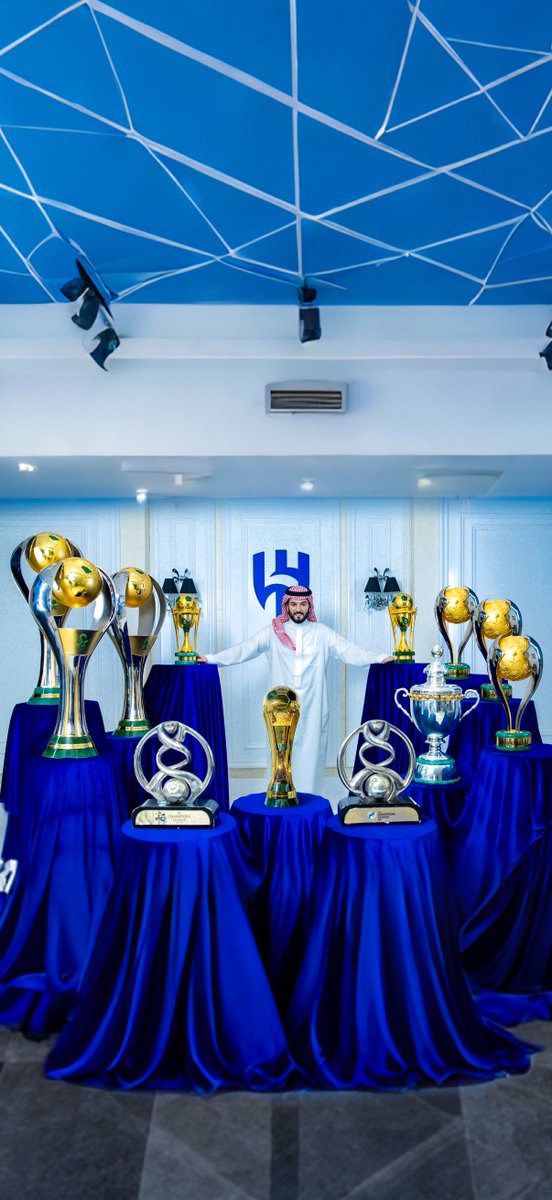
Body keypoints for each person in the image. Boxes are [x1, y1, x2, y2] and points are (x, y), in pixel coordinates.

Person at [200, 584, 388, 796]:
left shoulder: (322, 633)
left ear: (309, 606)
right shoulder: (273, 632)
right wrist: (211, 659)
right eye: (294, 604)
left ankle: (310, 803)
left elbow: (351, 652)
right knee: (279, 755)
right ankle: (279, 798)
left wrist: (380, 658)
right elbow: (244, 649)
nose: (298, 608)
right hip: (280, 711)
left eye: (303, 604)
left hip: (314, 708)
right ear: (286, 606)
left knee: (311, 758)